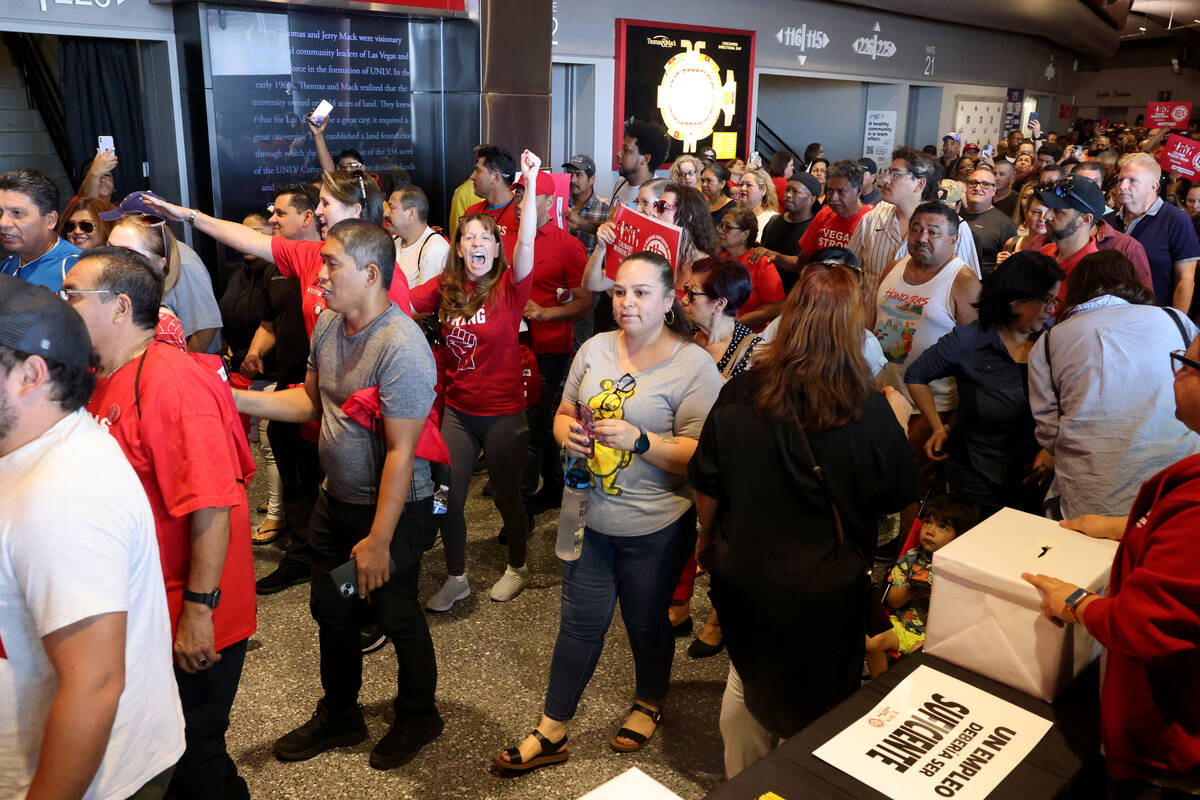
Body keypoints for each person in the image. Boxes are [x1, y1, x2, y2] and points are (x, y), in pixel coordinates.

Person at [493, 251, 721, 773]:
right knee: (578, 625)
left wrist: (642, 440)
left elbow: (702, 454)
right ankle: (552, 730)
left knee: (645, 623)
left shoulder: (693, 365)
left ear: (668, 302)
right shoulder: (595, 348)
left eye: (641, 292)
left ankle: (649, 700)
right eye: (620, 291)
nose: (626, 302)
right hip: (588, 517)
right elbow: (564, 412)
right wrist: (563, 434)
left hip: (655, 526)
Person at [689, 262, 918, 778]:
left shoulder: (741, 393)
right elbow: (895, 501)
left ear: (789, 318)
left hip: (745, 572)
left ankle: (743, 787)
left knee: (747, 681)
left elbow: (708, 484)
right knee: (821, 713)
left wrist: (706, 541)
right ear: (852, 327)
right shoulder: (870, 409)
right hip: (826, 586)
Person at [232, 218, 442, 771]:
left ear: (370, 273)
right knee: (334, 608)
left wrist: (378, 539)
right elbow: (309, 404)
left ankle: (420, 714)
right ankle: (341, 714)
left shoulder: (403, 346)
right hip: (336, 503)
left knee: (396, 614)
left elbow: (402, 452)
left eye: (330, 264)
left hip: (393, 513)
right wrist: (239, 401)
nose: (318, 275)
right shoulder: (328, 324)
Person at [63, 247, 257, 799]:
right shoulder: (105, 374)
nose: (62, 304)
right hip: (150, 605)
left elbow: (212, 506)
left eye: (73, 295)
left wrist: (200, 611)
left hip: (191, 611)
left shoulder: (172, 383)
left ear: (120, 307)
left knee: (193, 755)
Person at [0, 275, 185, 800]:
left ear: (30, 374)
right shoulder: (30, 448)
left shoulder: (65, 494)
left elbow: (95, 686)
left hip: (93, 784)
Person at [1023, 330, 1200, 796]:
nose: (1179, 373)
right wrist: (1126, 525)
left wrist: (1076, 603)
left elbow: (1143, 623)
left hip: (1169, 742)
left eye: (1190, 365)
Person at [411, 151, 542, 609]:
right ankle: (456, 575)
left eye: (485, 236)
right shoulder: (445, 289)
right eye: (469, 236)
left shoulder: (510, 286)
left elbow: (526, 245)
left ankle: (519, 566)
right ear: (460, 247)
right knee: (446, 498)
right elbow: (400, 304)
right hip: (459, 416)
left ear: (495, 246)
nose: (477, 242)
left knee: (508, 499)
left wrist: (530, 182)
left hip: (505, 414)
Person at [1029, 251, 1200, 520]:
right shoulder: (1175, 320)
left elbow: (1048, 430)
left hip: (1094, 493)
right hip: (1179, 482)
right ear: (1132, 281)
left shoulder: (1050, 342)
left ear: (1075, 289)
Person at [905, 251, 1063, 513]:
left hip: (1037, 477)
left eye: (1055, 300)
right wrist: (938, 427)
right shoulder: (969, 341)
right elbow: (916, 375)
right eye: (1046, 300)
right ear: (1014, 301)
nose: (1052, 309)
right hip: (976, 476)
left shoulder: (1054, 340)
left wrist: (1052, 450)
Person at [675, 256, 763, 658]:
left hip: (732, 465)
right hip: (685, 454)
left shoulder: (754, 351)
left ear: (721, 303)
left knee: (724, 543)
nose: (683, 299)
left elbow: (751, 416)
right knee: (681, 534)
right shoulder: (682, 336)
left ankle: (718, 618)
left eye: (692, 293)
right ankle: (679, 604)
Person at [874, 203, 982, 456]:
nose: (922, 238)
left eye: (933, 232)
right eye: (916, 229)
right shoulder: (894, 268)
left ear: (953, 240)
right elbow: (874, 323)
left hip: (931, 406)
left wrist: (953, 419)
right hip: (884, 394)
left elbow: (973, 356)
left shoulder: (964, 283)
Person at [516, 170, 592, 514]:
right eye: (519, 195)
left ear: (548, 202)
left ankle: (525, 503)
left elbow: (586, 303)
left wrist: (545, 313)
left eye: (529, 196)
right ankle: (550, 485)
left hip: (548, 350)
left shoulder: (567, 246)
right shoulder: (508, 239)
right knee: (534, 423)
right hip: (510, 347)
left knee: (534, 423)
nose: (521, 202)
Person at [850, 148, 980, 328]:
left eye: (895, 174)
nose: (885, 180)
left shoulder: (954, 227)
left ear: (919, 184)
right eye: (887, 172)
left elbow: (969, 294)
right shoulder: (872, 219)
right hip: (869, 337)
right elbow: (850, 272)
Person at [865, 494, 980, 677]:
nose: (930, 531)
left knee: (918, 658)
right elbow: (893, 601)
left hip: (934, 636)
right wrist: (912, 590)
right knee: (871, 641)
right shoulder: (911, 558)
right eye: (927, 522)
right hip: (904, 626)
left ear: (959, 536)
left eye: (942, 527)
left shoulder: (961, 570)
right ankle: (880, 686)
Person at [100, 191, 223, 354]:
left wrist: (185, 368)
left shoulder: (184, 260)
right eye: (111, 248)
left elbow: (206, 327)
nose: (121, 222)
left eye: (124, 217)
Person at [1104, 153, 1199, 312]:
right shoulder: (1107, 221)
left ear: (1154, 186)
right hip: (1109, 319)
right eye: (1121, 180)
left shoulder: (1176, 220)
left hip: (1155, 319)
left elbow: (1185, 278)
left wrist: (1176, 322)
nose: (1122, 186)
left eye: (1132, 180)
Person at [106, 215, 188, 351]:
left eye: (127, 253)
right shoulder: (115, 310)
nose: (112, 259)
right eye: (109, 249)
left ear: (157, 264)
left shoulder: (161, 325)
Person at [0, 169, 81, 291]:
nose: (3, 223)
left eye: (17, 213)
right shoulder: (6, 266)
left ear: (50, 220)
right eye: (0, 213)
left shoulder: (77, 267)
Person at [218, 212, 273, 372]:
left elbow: (275, 329)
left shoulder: (279, 276)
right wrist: (227, 350)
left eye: (254, 232)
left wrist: (248, 355)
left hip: (266, 371)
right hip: (236, 369)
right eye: (242, 233)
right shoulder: (236, 276)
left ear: (273, 232)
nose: (245, 240)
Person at [714, 207, 785, 331]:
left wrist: (737, 323)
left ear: (745, 234)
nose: (720, 231)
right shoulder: (720, 260)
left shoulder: (761, 263)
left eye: (727, 227)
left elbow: (776, 307)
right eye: (720, 226)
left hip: (747, 333)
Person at [793, 160, 872, 270]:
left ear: (858, 191)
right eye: (830, 191)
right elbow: (802, 261)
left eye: (840, 192)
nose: (833, 198)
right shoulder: (824, 214)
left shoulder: (870, 221)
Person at [750, 172, 820, 293]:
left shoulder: (815, 227)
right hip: (768, 291)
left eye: (796, 192)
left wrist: (775, 256)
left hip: (796, 295)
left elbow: (803, 264)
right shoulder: (774, 221)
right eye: (787, 190)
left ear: (811, 199)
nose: (788, 195)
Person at [387, 185, 449, 289]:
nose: (385, 213)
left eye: (391, 208)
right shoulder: (393, 242)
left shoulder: (435, 248)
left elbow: (423, 302)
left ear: (411, 213)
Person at [464, 144, 520, 259]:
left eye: (478, 171)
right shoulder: (472, 212)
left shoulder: (521, 215)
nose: (472, 176)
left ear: (495, 178)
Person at [961, 166, 1018, 277]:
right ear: (967, 187)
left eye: (985, 184)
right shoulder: (955, 215)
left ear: (994, 190)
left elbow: (1010, 267)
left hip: (985, 288)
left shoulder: (1005, 224)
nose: (977, 188)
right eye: (973, 182)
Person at [610, 120, 670, 211]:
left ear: (645, 159)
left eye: (626, 150)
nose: (619, 153)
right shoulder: (620, 183)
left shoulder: (658, 196)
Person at [561, 154, 610, 254]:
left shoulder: (606, 208)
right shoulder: (560, 203)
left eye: (578, 175)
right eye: (570, 174)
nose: (572, 180)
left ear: (592, 179)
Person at [735, 168, 779, 237]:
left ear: (763, 190)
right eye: (741, 184)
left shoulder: (772, 220)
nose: (743, 188)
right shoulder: (733, 215)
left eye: (749, 185)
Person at [700, 161, 737, 227]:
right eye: (702, 181)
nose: (704, 184)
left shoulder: (732, 208)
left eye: (709, 181)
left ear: (722, 184)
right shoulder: (702, 206)